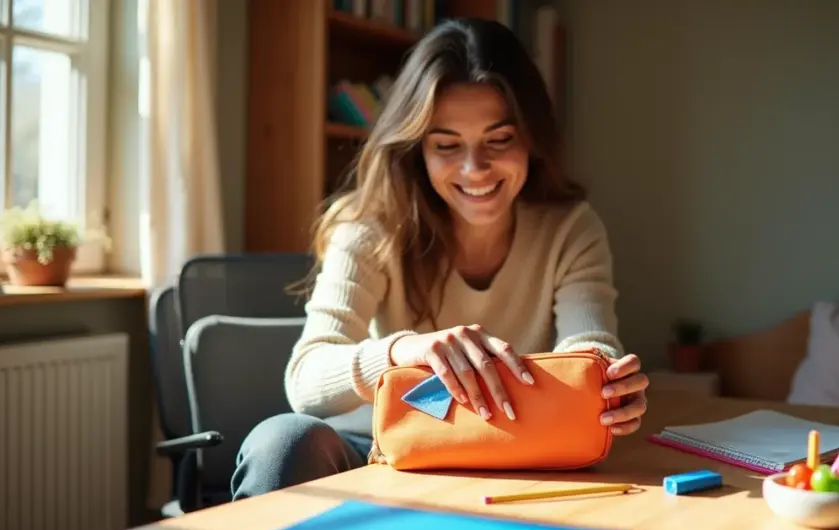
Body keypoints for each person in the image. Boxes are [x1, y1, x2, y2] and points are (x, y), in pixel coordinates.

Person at [231, 17, 649, 500]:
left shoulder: (570, 227)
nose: (475, 169)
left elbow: (590, 344)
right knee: (282, 440)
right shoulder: (371, 229)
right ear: (417, 150)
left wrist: (607, 383)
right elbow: (304, 379)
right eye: (447, 145)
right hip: (384, 450)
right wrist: (401, 351)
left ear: (531, 138)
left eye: (499, 140)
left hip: (515, 451)